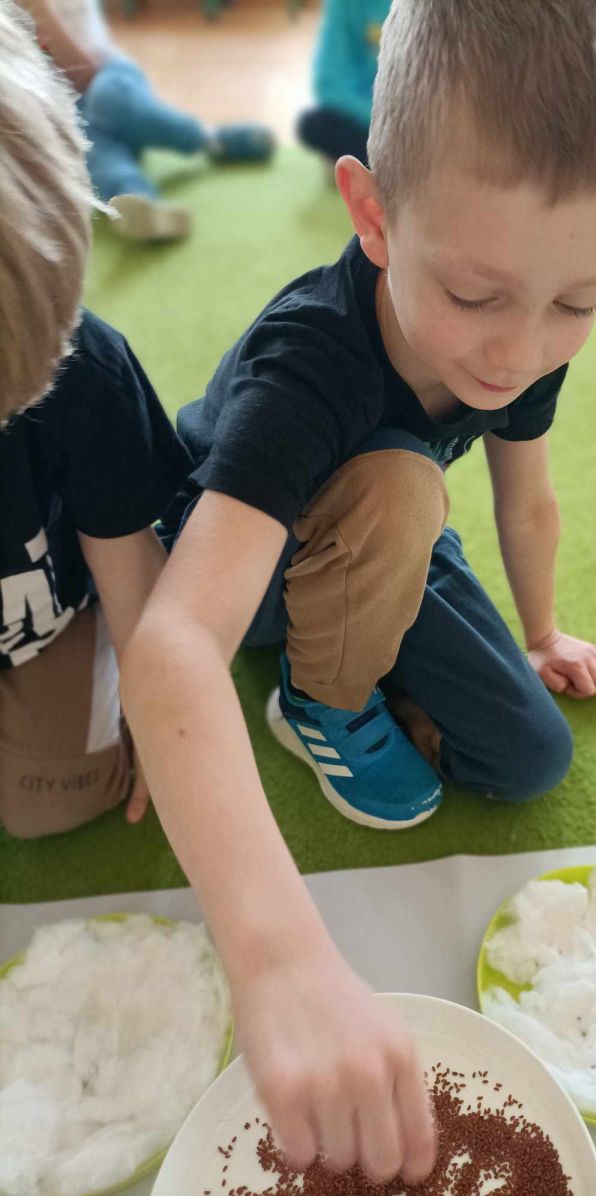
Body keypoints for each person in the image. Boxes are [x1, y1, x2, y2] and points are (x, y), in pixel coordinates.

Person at [121, 0, 596, 1184]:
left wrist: (539, 633)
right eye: (475, 296)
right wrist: (281, 962)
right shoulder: (308, 362)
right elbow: (175, 642)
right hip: (246, 559)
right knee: (404, 492)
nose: (518, 351)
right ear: (373, 214)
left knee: (529, 756)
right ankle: (316, 701)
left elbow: (527, 498)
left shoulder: (519, 329)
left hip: (384, 524)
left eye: (579, 302)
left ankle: (367, 632)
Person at [0, 1, 190, 839]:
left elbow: (130, 567)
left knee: (51, 806)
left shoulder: (86, 370)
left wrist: (160, 713)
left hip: (47, 618)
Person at [21, 0, 275, 241]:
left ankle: (209, 139)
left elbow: (84, 73)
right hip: (69, 107)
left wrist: (39, 11)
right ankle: (137, 200)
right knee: (89, 143)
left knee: (105, 101)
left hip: (106, 75)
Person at [296, 0, 390, 168]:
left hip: (411, 119)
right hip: (367, 116)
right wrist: (380, 121)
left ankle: (362, 164)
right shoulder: (342, 4)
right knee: (312, 125)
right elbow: (328, 82)